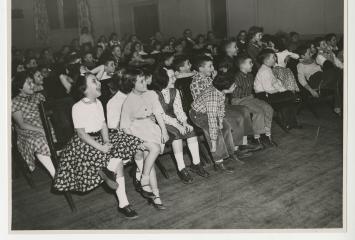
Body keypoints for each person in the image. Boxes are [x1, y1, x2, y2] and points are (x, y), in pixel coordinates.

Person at [53, 73, 144, 219]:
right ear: (84, 89)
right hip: (85, 143)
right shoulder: (77, 107)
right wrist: (101, 147)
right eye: (94, 81)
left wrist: (107, 140)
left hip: (100, 138)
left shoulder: (99, 103)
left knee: (133, 143)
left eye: (97, 79)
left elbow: (103, 124)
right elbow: (81, 134)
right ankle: (123, 204)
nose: (99, 82)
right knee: (117, 163)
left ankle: (138, 178)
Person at [120, 69, 169, 210]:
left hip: (150, 127)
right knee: (152, 152)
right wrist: (136, 142)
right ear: (132, 84)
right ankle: (148, 184)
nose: (145, 82)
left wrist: (164, 131)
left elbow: (158, 113)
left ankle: (152, 191)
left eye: (144, 79)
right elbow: (125, 126)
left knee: (151, 159)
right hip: (136, 130)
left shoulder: (152, 94)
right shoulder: (128, 101)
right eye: (141, 81)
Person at [191, 56, 257, 159]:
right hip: (209, 110)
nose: (213, 68)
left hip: (219, 105)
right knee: (236, 117)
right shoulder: (196, 83)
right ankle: (235, 148)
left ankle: (244, 143)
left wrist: (216, 81)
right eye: (210, 66)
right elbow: (208, 101)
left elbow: (218, 93)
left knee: (244, 109)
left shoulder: (208, 78)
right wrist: (217, 83)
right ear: (200, 69)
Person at [152, 67, 210, 184]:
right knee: (176, 135)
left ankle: (196, 164)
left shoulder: (175, 91)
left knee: (191, 131)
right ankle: (181, 168)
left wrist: (184, 122)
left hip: (174, 119)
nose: (174, 79)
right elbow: (161, 115)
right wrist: (178, 126)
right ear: (162, 79)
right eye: (171, 77)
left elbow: (179, 110)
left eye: (174, 76)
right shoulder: (154, 94)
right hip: (161, 123)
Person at [189, 73, 239, 174]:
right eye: (233, 85)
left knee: (226, 127)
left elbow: (220, 108)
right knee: (215, 132)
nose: (235, 86)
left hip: (209, 112)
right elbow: (211, 121)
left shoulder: (220, 92)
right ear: (225, 87)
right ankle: (218, 162)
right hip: (198, 115)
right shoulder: (213, 96)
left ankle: (229, 153)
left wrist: (220, 121)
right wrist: (213, 141)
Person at [11, 72, 56, 179]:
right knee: (38, 140)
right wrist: (41, 130)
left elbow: (48, 113)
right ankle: (55, 174)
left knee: (57, 132)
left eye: (32, 82)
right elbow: (21, 124)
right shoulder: (14, 102)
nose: (33, 85)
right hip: (27, 130)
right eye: (29, 83)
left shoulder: (39, 96)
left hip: (44, 124)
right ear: (19, 87)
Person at [231, 54, 274, 147]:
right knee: (258, 112)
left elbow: (252, 90)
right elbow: (234, 94)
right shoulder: (236, 77)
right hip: (239, 100)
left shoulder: (250, 75)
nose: (252, 64)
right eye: (250, 63)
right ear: (242, 66)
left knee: (268, 108)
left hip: (250, 98)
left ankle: (267, 135)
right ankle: (257, 137)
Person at [254, 49, 300, 130]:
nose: (275, 58)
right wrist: (282, 91)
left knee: (289, 97)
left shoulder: (268, 68)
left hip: (269, 93)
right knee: (289, 96)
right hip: (264, 96)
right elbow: (269, 89)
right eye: (273, 57)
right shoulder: (264, 71)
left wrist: (283, 89)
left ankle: (291, 123)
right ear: (267, 60)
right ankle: (288, 122)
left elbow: (275, 83)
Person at [296, 44, 342, 116]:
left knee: (339, 82)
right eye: (309, 53)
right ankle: (338, 107)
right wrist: (311, 90)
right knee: (338, 71)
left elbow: (327, 65)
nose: (311, 53)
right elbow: (301, 79)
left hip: (323, 77)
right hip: (315, 80)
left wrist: (327, 55)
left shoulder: (314, 60)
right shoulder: (300, 65)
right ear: (302, 56)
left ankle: (337, 107)